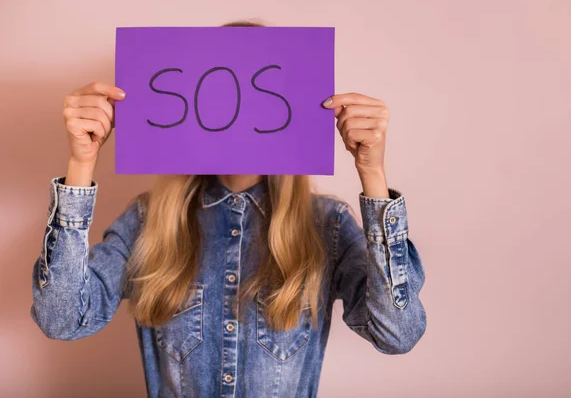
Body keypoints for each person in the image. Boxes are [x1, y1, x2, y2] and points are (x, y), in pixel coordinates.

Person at [30, 21, 427, 398]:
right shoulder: (147, 222)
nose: (237, 110)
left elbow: (396, 333)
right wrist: (80, 164)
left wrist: (372, 173)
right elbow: (62, 319)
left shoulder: (327, 225)